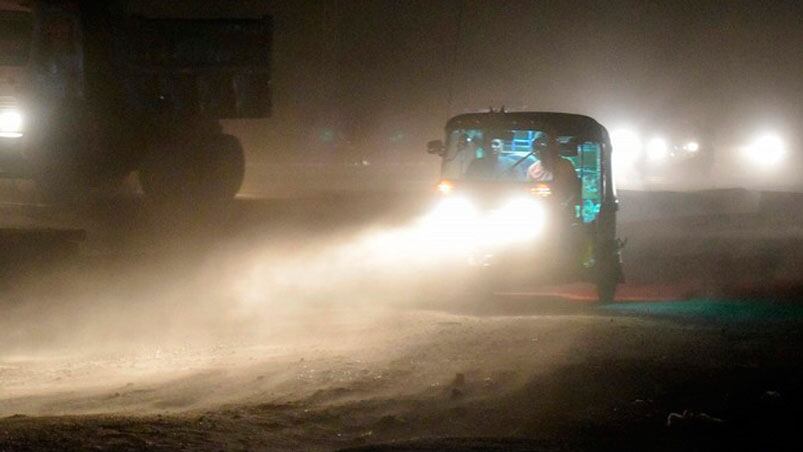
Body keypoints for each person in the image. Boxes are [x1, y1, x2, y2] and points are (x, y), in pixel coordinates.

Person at [527, 131, 581, 203]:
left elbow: (575, 189)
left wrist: (565, 204)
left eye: (545, 145)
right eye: (538, 146)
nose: (541, 150)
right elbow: (528, 191)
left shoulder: (566, 165)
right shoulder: (532, 169)